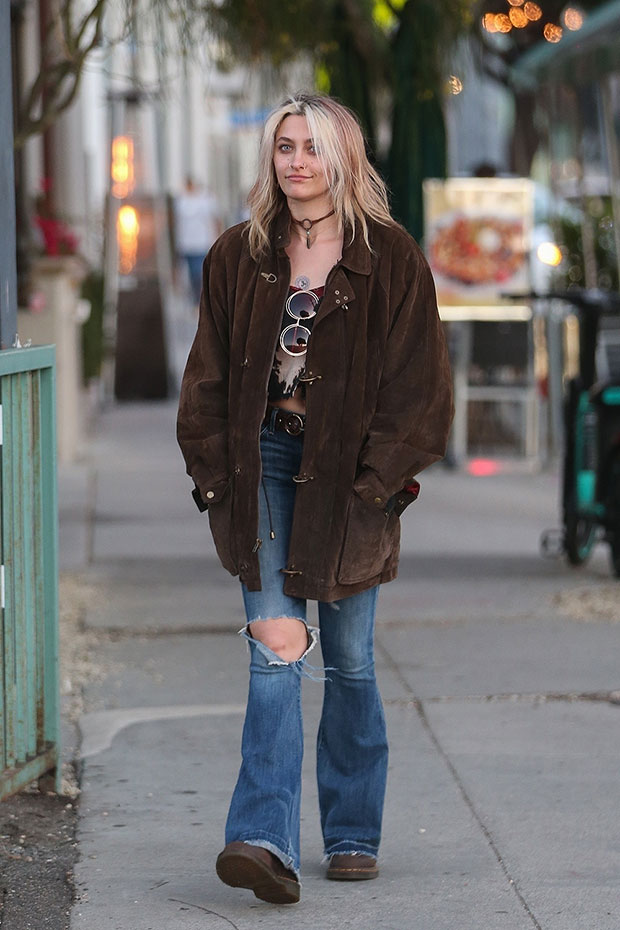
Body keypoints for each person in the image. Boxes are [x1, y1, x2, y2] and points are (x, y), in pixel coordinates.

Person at [177, 92, 453, 905]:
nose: (296, 160)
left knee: (353, 662)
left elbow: (422, 392)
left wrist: (379, 487)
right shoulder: (238, 255)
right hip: (259, 465)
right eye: (285, 146)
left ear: (344, 158)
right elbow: (207, 378)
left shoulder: (392, 259)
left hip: (350, 476)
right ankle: (262, 839)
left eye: (313, 146)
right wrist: (215, 477)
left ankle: (353, 830)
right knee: (275, 644)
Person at [173, 177, 221, 304]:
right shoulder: (181, 201)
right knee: (190, 275)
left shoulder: (205, 200)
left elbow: (215, 220)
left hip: (202, 243)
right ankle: (195, 300)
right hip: (186, 244)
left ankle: (201, 300)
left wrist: (216, 238)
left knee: (199, 273)